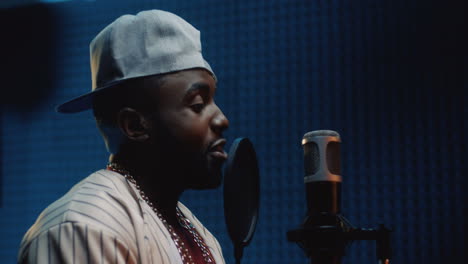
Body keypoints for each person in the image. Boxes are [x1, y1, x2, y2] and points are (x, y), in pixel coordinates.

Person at [18, 9, 229, 264]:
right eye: (197, 104)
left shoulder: (200, 236)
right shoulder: (84, 227)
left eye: (213, 101)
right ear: (135, 125)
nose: (222, 119)